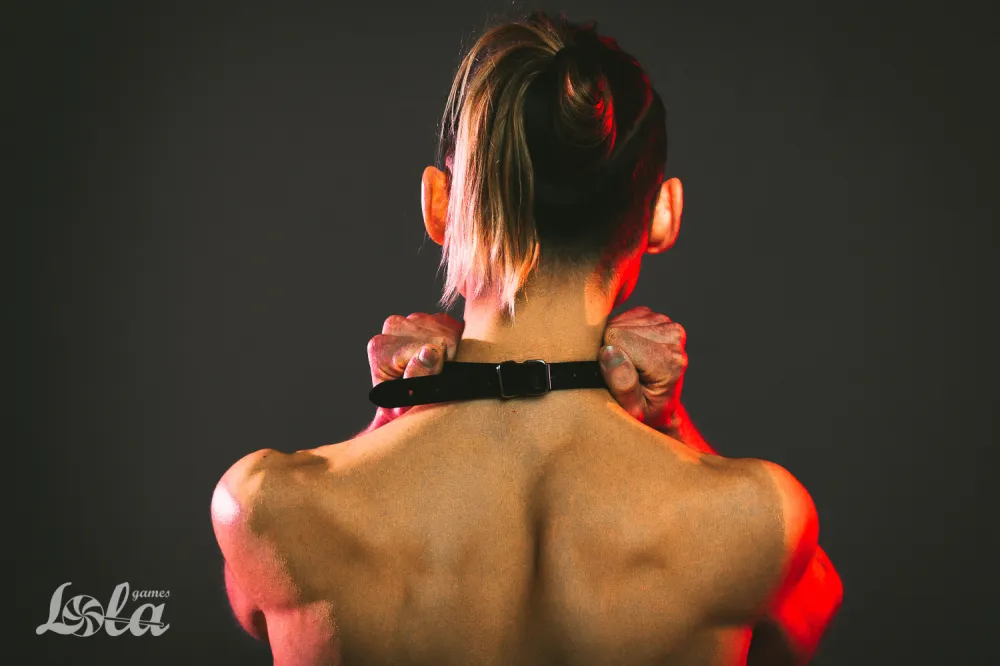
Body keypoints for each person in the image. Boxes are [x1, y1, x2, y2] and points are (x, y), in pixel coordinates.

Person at [211, 11, 842, 665]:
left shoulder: (271, 506)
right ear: (662, 213)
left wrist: (391, 420)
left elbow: (253, 602)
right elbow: (810, 614)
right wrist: (670, 424)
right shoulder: (755, 518)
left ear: (439, 205)